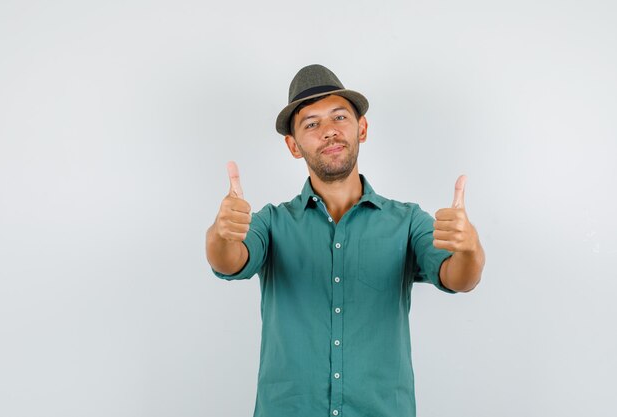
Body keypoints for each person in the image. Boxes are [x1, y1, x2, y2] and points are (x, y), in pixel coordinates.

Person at [206, 64, 485, 417]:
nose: (329, 131)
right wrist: (220, 233)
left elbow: (459, 278)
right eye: (311, 124)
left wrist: (469, 248)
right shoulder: (272, 222)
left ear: (361, 128)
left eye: (339, 117)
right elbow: (229, 261)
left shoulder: (408, 221)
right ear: (293, 145)